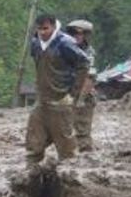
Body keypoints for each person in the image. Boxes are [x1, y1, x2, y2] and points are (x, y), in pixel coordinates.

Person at [26, 15, 89, 174]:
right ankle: (31, 173)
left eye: (45, 28)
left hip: (61, 99)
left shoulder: (65, 43)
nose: (42, 32)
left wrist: (73, 93)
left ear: (53, 27)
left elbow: (84, 63)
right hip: (42, 99)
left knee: (66, 141)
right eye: (39, 29)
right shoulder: (35, 44)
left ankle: (71, 176)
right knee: (34, 137)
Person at [65, 19, 97, 152]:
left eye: (81, 33)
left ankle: (84, 153)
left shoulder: (88, 53)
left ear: (85, 36)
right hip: (64, 91)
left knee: (82, 130)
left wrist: (81, 99)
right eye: (74, 33)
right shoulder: (63, 49)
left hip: (82, 91)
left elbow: (89, 77)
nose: (77, 36)